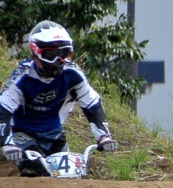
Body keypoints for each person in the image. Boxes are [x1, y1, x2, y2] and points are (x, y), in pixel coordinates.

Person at [1, 21, 118, 176]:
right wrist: (7, 143)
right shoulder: (22, 76)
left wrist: (104, 136)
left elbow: (92, 104)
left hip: (55, 133)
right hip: (21, 133)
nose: (59, 60)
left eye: (63, 53)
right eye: (51, 54)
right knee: (34, 170)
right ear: (36, 53)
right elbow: (3, 108)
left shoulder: (73, 74)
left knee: (71, 176)